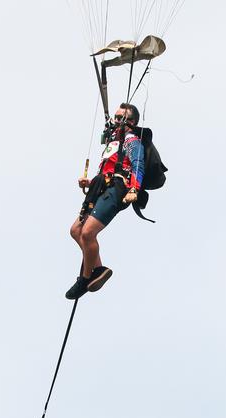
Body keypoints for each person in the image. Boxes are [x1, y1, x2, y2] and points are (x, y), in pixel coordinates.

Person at [66, 103, 145, 301]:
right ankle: (98, 268)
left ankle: (84, 279)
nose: (116, 122)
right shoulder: (113, 144)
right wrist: (90, 182)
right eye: (115, 118)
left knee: (88, 232)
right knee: (76, 230)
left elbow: (137, 164)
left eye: (120, 118)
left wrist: (134, 188)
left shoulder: (131, 141)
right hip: (102, 186)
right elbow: (108, 171)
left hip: (118, 189)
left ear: (131, 122)